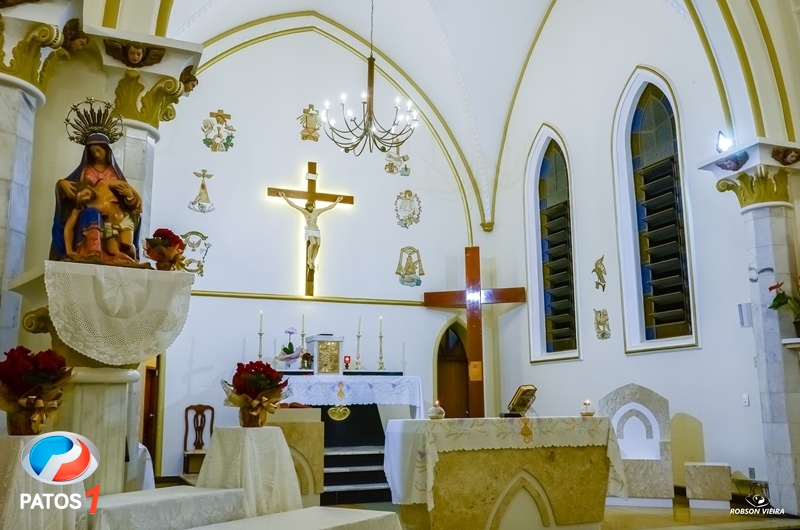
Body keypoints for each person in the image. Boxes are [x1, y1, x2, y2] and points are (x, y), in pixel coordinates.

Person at [51, 133, 142, 263]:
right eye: (93, 152)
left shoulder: (107, 180)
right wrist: (61, 183)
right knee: (92, 214)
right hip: (100, 219)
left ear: (106, 150)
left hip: (120, 217)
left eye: (98, 150)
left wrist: (132, 197)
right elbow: (69, 226)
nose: (96, 154)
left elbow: (127, 189)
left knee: (127, 246)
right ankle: (94, 251)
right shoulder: (85, 174)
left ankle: (132, 260)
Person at [278, 192, 342, 270]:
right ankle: (309, 260)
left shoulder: (317, 211)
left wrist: (337, 201)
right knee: (313, 243)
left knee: (318, 244)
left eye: (311, 206)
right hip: (310, 229)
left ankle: (313, 260)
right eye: (308, 207)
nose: (310, 208)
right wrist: (284, 197)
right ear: (306, 207)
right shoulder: (304, 211)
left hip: (316, 229)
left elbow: (328, 207)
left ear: (313, 206)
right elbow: (293, 205)